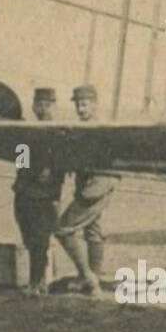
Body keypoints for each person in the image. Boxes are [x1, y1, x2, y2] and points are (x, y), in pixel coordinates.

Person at [57, 83, 116, 290]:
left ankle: (87, 277)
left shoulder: (96, 128)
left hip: (94, 187)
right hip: (91, 185)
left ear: (95, 104)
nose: (80, 109)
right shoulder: (83, 128)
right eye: (78, 106)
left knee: (62, 228)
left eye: (84, 105)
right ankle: (93, 278)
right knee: (92, 230)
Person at [12, 87, 66, 298]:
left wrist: (46, 174)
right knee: (28, 236)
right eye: (39, 104)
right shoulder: (27, 132)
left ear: (54, 106)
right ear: (33, 106)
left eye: (46, 104)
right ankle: (39, 281)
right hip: (25, 191)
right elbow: (20, 161)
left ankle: (37, 283)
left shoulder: (58, 133)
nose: (42, 109)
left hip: (44, 194)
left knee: (40, 239)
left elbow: (58, 165)